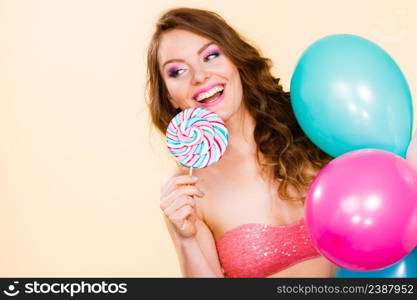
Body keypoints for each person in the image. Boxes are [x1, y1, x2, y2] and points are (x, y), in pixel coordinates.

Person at [146, 7, 337, 277]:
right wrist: (185, 239)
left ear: (237, 62)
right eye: (177, 72)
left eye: (211, 56)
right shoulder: (187, 188)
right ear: (170, 98)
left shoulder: (314, 125)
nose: (200, 76)